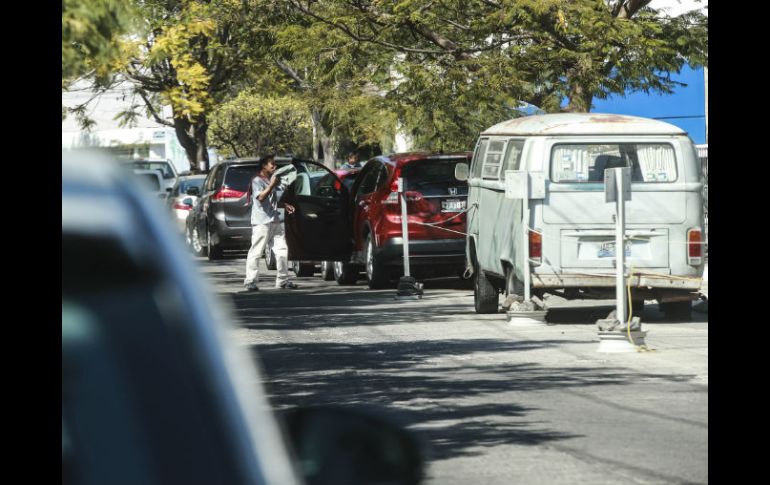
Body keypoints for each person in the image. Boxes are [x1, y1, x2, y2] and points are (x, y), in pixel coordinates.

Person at [243, 154, 298, 291]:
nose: (274, 166)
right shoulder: (257, 181)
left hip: (274, 220)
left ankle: (283, 280)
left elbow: (271, 201)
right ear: (264, 166)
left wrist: (283, 205)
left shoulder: (270, 180)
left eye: (274, 164)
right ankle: (250, 281)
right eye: (271, 164)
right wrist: (272, 184)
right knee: (256, 251)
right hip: (261, 222)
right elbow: (261, 197)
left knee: (282, 250)